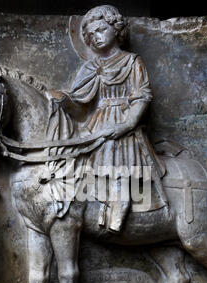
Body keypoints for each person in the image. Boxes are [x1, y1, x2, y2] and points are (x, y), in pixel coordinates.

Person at [51, 5, 168, 232]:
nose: (97, 37)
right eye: (91, 34)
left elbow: (142, 97)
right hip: (98, 122)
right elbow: (79, 105)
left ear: (116, 29)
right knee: (77, 155)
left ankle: (120, 203)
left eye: (101, 29)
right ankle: (84, 206)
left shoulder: (132, 62)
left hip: (124, 125)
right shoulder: (90, 67)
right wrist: (63, 100)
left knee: (115, 149)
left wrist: (127, 123)